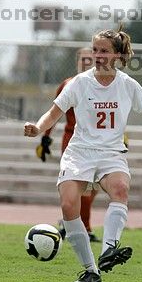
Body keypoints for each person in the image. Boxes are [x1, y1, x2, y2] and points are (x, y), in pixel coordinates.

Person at [24, 26, 142, 282]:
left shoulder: (128, 86)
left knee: (120, 188)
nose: (97, 56)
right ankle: (90, 270)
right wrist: (38, 128)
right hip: (80, 152)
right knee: (68, 206)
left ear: (118, 56)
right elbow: (53, 113)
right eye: (95, 50)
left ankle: (109, 249)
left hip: (111, 153)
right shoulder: (79, 83)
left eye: (104, 51)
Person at [36, 48, 100, 242]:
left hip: (99, 142)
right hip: (73, 139)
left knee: (95, 186)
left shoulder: (102, 85)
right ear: (77, 62)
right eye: (84, 59)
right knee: (81, 186)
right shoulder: (68, 84)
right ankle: (84, 228)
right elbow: (54, 113)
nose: (87, 63)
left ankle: (71, 222)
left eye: (91, 59)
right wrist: (45, 138)